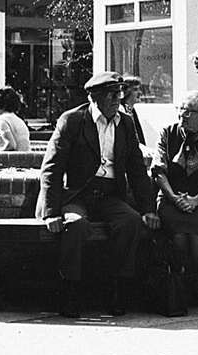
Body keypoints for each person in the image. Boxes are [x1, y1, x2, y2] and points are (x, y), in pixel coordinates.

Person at [38, 72, 160, 319]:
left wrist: (148, 209)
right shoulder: (72, 120)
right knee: (76, 225)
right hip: (77, 194)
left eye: (119, 93)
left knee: (130, 222)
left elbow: (137, 169)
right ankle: (70, 291)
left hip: (108, 195)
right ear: (95, 97)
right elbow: (52, 168)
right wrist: (51, 212)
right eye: (112, 94)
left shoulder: (125, 123)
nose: (118, 99)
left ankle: (118, 290)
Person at [151, 91, 198, 304]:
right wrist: (174, 197)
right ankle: (182, 279)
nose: (182, 116)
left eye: (189, 112)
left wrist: (195, 200)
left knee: (195, 230)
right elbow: (159, 171)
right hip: (170, 196)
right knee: (178, 230)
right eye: (180, 111)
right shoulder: (168, 134)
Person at [0, 86, 31, 152]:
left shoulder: (2, 120)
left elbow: (11, 145)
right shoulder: (18, 119)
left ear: (2, 103)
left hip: (13, 160)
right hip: (26, 160)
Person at [120, 74, 147, 148]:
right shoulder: (121, 111)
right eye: (135, 89)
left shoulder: (132, 110)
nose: (140, 93)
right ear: (126, 92)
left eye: (139, 89)